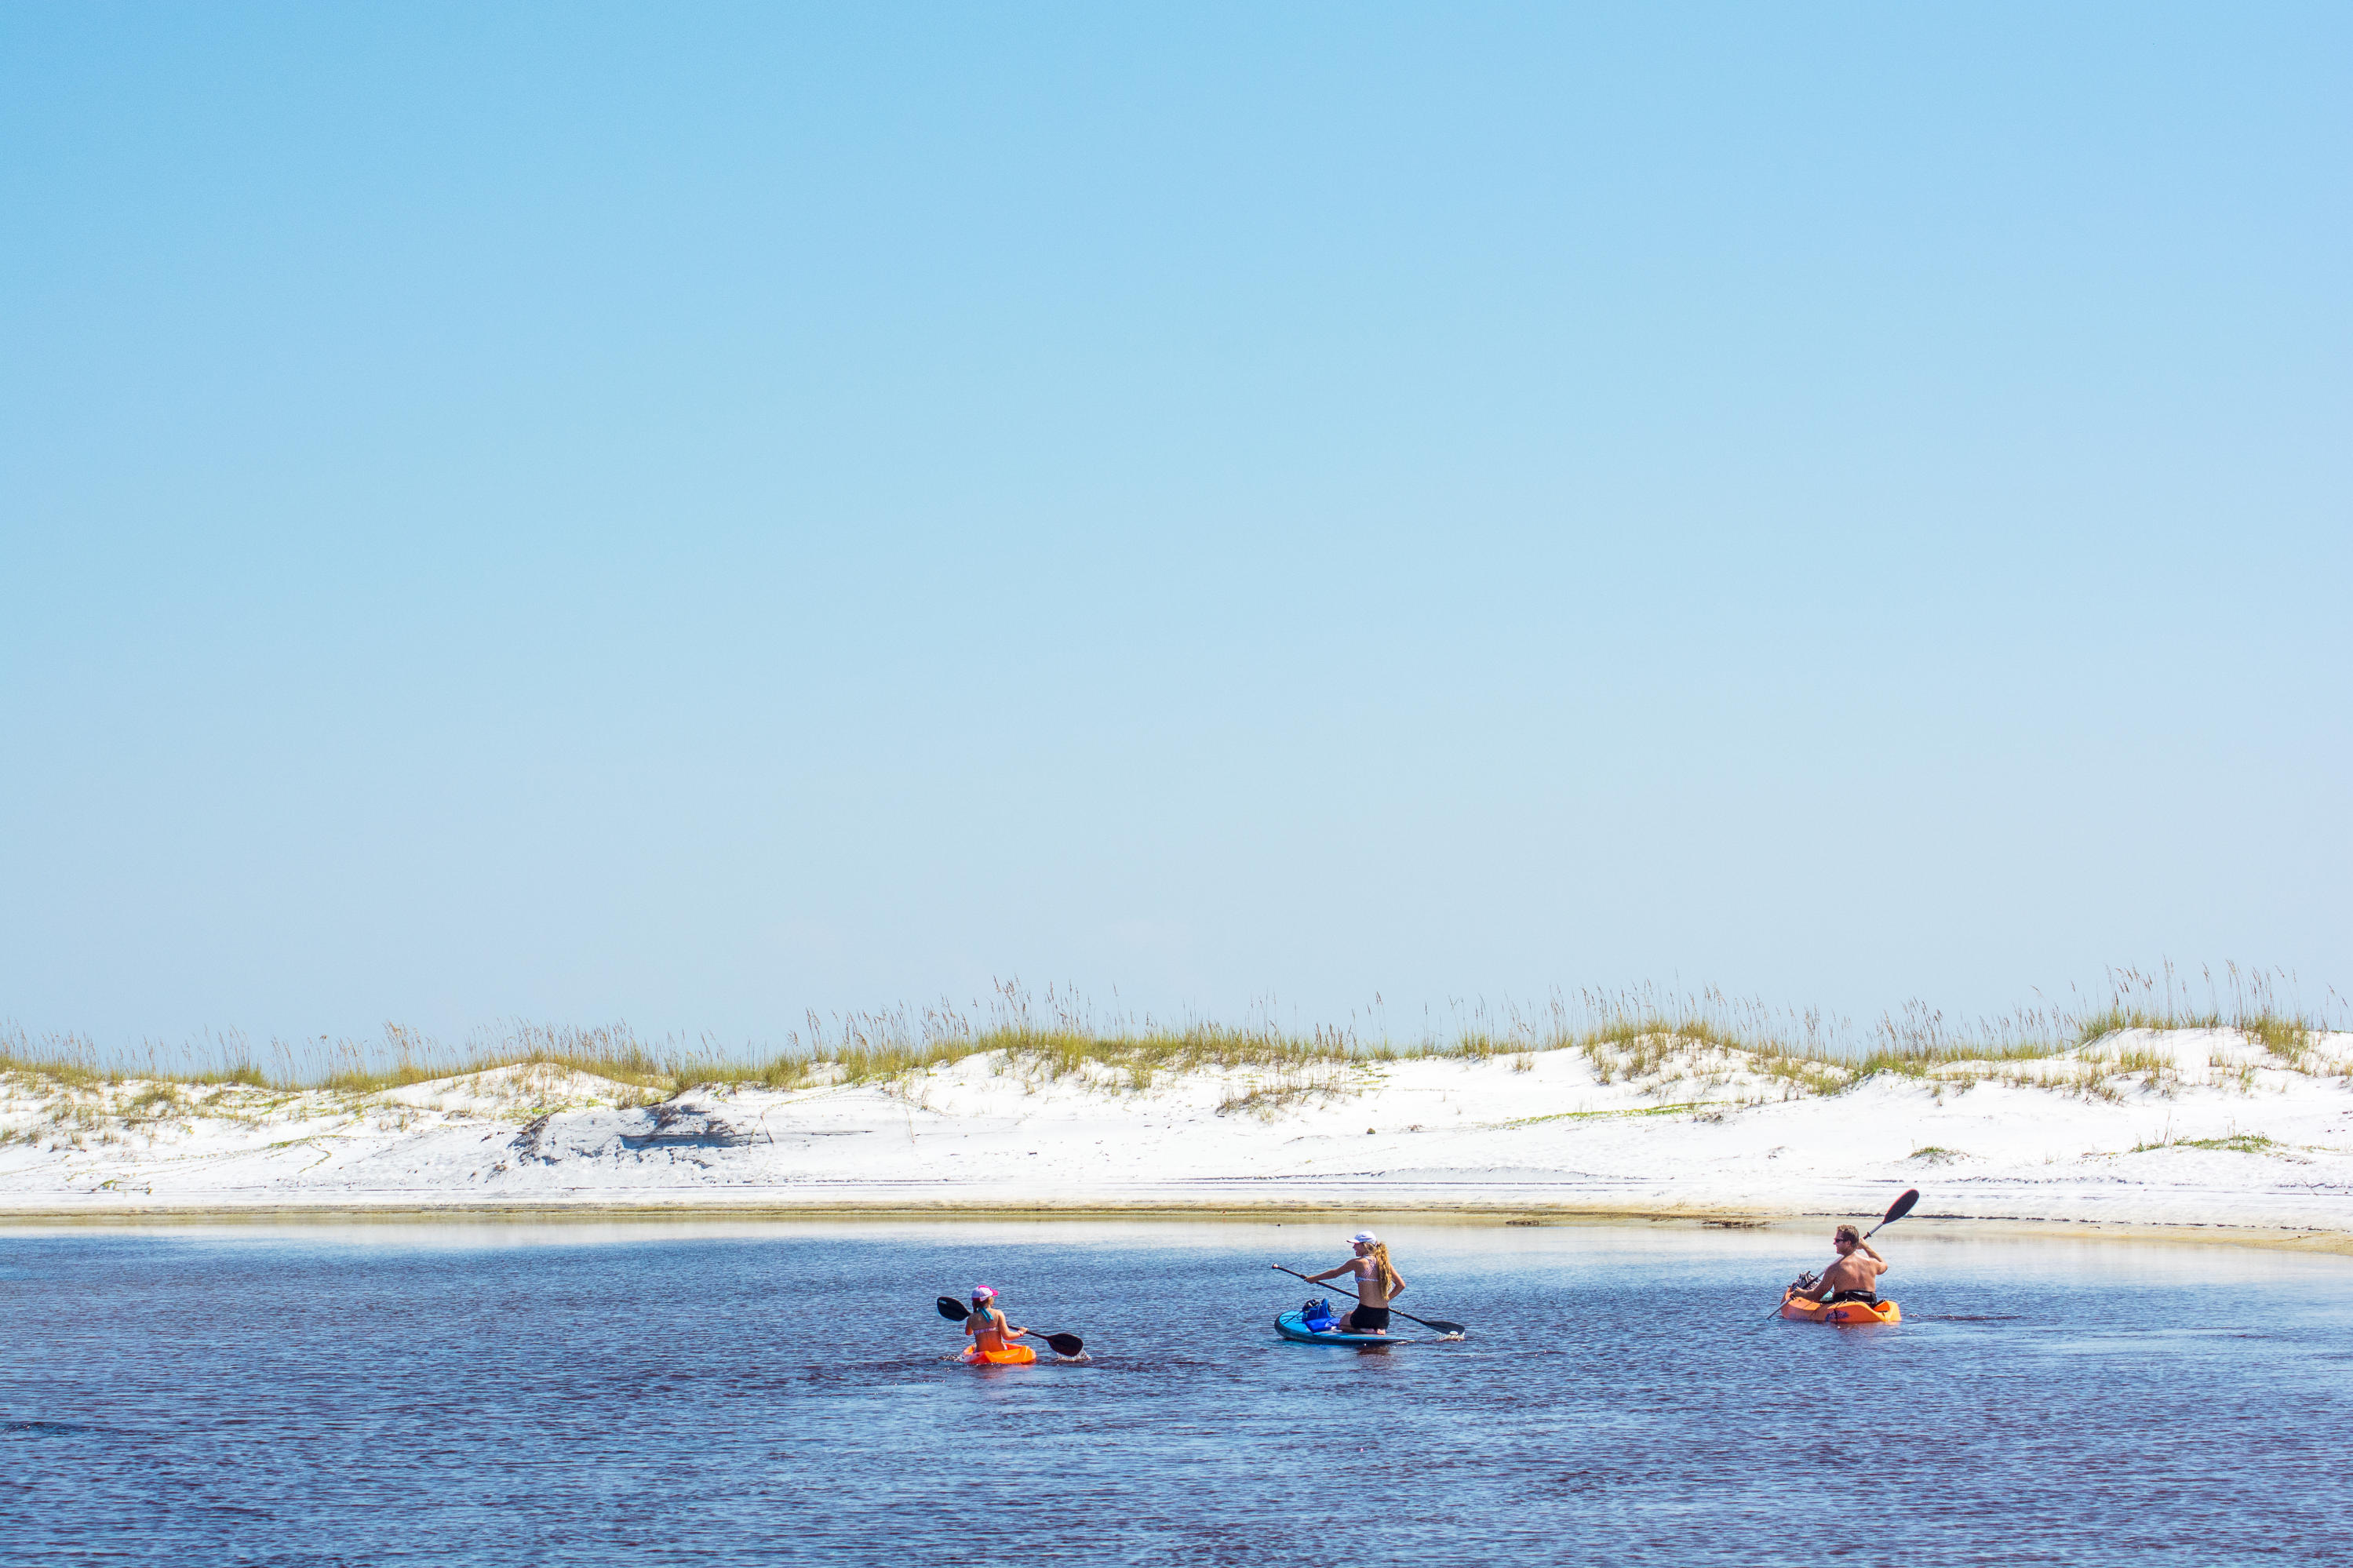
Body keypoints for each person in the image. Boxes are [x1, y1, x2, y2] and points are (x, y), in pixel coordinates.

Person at [1303, 1232, 1407, 1333]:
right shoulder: (1385, 1264)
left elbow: (1335, 1273)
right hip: (1383, 1317)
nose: (1353, 1247)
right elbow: (1401, 1285)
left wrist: (1314, 1279)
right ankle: (1378, 1330)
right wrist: (1386, 1300)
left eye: (1356, 1244)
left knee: (1343, 1323)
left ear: (1364, 1245)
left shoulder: (1358, 1263)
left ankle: (1365, 1330)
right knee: (1351, 1315)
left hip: (1365, 1314)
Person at [1785, 1224, 1890, 1306]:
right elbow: (1884, 1265)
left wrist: (1800, 1292)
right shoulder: (1871, 1263)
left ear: (1848, 1243)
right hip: (1869, 1305)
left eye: (1837, 1240)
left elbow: (1816, 1296)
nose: (1834, 1243)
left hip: (1845, 1308)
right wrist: (1866, 1247)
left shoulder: (1835, 1268)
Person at [961, 1286, 1035, 1363]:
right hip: (1001, 1351)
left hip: (982, 1354)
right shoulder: (998, 1313)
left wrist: (974, 1322)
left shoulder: (971, 1318)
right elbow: (1007, 1336)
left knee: (975, 1346)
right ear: (990, 1300)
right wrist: (1020, 1332)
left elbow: (968, 1333)